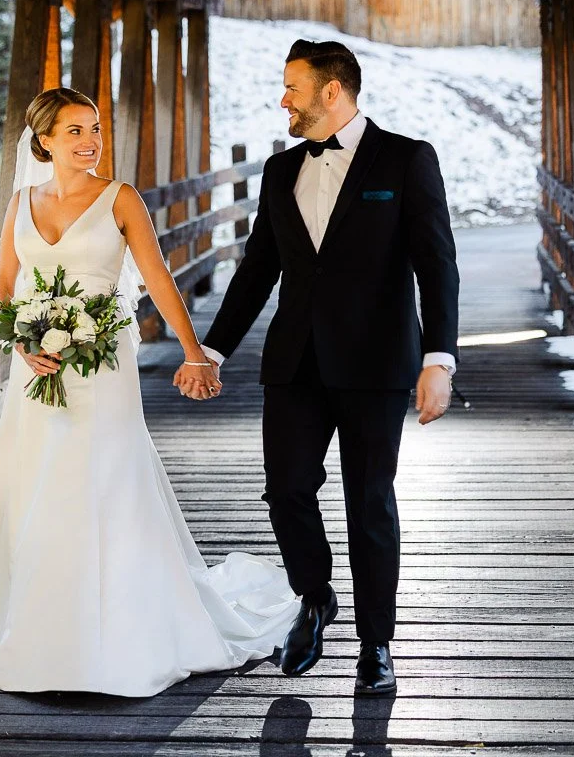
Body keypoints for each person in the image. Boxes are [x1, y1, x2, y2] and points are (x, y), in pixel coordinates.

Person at [0, 87, 299, 696]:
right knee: (39, 474)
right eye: (75, 132)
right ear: (44, 142)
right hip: (38, 366)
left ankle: (118, 613)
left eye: (95, 130)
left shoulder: (121, 199)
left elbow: (157, 278)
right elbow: (5, 284)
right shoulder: (21, 202)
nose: (91, 142)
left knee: (106, 474)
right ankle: (39, 606)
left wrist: (195, 351)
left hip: (104, 361)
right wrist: (22, 343)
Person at [197, 39, 460, 695]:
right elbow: (258, 267)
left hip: (377, 363)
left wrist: (440, 361)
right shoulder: (281, 170)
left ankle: (377, 643)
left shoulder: (406, 159)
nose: (283, 99)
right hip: (294, 362)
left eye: (293, 87)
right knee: (286, 488)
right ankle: (314, 598)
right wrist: (213, 348)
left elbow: (437, 264)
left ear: (332, 91)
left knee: (369, 501)